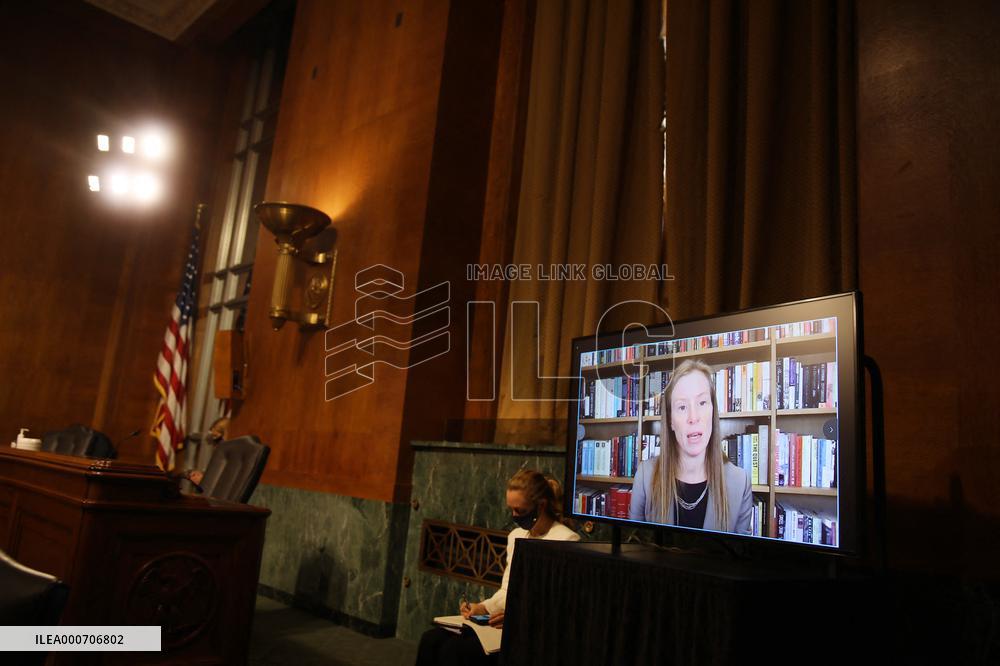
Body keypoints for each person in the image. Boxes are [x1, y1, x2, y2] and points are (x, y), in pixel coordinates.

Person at [415, 469, 580, 666]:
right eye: (511, 510)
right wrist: (483, 607)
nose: (514, 516)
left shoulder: (566, 540)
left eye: (520, 511)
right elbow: (507, 589)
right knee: (431, 640)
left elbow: (560, 605)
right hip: (505, 621)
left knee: (455, 651)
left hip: (533, 629)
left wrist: (516, 618)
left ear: (541, 505)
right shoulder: (516, 536)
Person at [629, 359, 753, 534]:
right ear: (671, 421)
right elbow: (633, 543)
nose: (693, 418)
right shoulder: (645, 476)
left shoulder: (740, 482)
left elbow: (740, 551)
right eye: (682, 407)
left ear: (713, 411)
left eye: (702, 403)